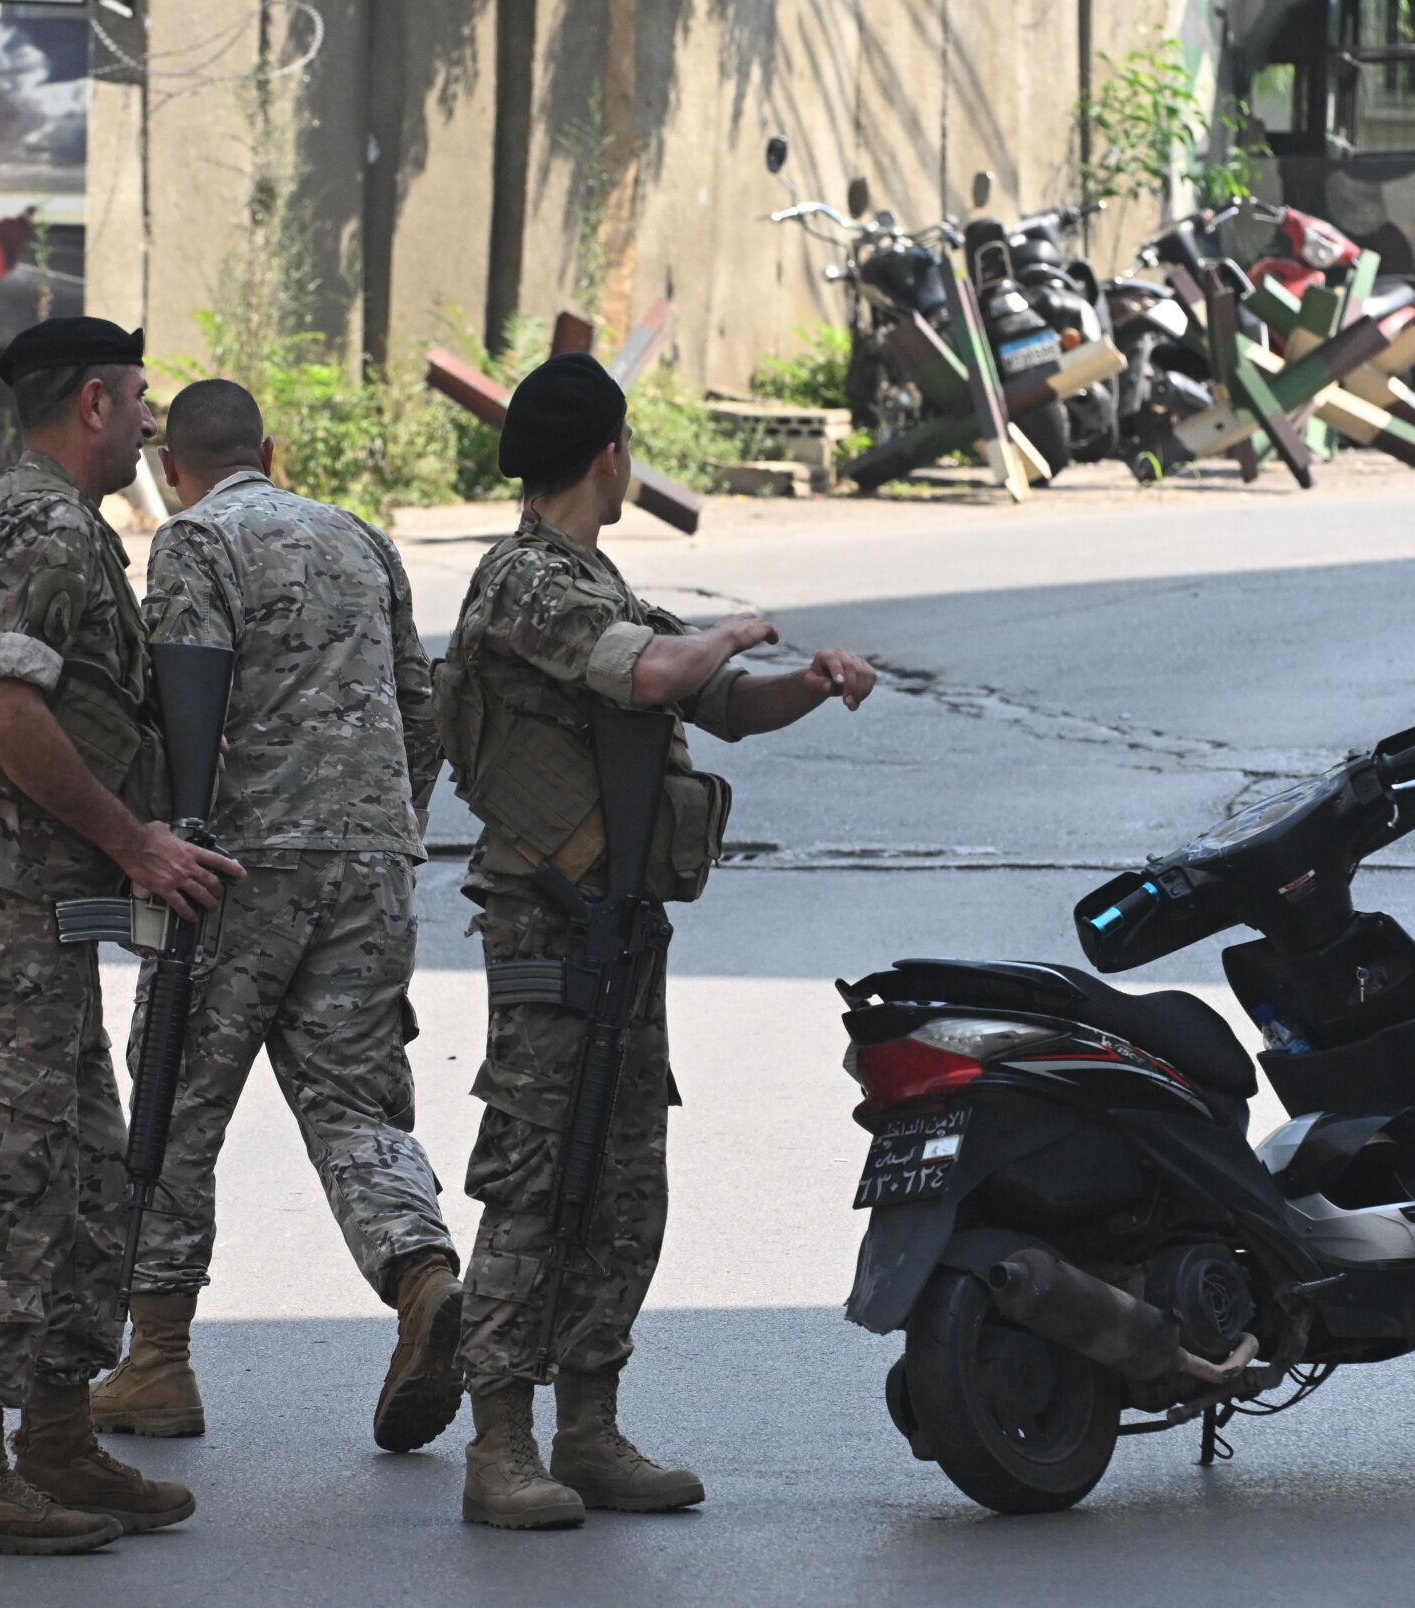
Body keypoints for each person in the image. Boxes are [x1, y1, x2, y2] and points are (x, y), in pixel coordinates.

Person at [440, 353, 876, 1529]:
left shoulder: (592, 577)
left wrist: (808, 681)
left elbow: (717, 701)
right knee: (535, 1177)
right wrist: (734, 627)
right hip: (547, 927)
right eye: (628, 450)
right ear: (607, 455)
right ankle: (498, 1446)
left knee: (624, 1177)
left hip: (620, 933)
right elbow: (659, 673)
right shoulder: (524, 585)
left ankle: (587, 1428)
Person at [0, 316, 241, 1553]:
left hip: (26, 900)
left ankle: (54, 1439)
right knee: (10, 1177)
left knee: (88, 1164)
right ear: (91, 403)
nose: (154, 422)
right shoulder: (42, 526)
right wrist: (138, 841)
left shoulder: (45, 515)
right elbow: (2, 709)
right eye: (139, 399)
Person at [87, 379, 467, 1454]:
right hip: (371, 863)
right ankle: (423, 1277)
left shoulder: (191, 544)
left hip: (235, 872)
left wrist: (169, 840)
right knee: (356, 1106)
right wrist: (384, 832)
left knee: (175, 1105)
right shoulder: (360, 538)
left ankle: (156, 1362)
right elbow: (420, 707)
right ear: (274, 448)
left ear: (172, 468)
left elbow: (185, 708)